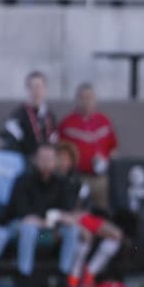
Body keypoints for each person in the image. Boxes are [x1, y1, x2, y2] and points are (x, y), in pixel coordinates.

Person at [6, 144, 82, 287]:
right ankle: (24, 275)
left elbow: (67, 212)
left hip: (50, 231)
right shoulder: (23, 180)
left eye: (50, 159)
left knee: (72, 230)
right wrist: (45, 220)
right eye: (43, 159)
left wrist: (58, 219)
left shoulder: (62, 183)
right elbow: (22, 213)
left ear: (56, 161)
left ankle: (63, 275)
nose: (46, 163)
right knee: (29, 228)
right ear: (35, 160)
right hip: (20, 229)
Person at [55, 141, 125, 287]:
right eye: (59, 158)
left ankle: (91, 272)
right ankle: (74, 277)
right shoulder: (53, 181)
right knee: (84, 236)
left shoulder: (77, 180)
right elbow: (55, 210)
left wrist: (80, 216)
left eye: (65, 158)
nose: (62, 162)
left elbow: (85, 206)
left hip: (81, 217)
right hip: (65, 221)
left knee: (116, 235)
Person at [57, 83, 118, 211]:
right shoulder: (67, 123)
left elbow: (113, 148)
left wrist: (105, 162)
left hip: (100, 178)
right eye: (82, 97)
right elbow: (60, 151)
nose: (86, 101)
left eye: (89, 97)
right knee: (79, 209)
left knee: (102, 211)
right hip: (77, 177)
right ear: (76, 99)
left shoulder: (104, 121)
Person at [4, 71, 58, 156]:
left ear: (45, 89)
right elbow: (13, 145)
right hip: (27, 164)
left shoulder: (50, 116)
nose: (36, 91)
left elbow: (54, 141)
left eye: (39, 87)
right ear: (27, 89)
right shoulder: (17, 116)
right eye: (32, 87)